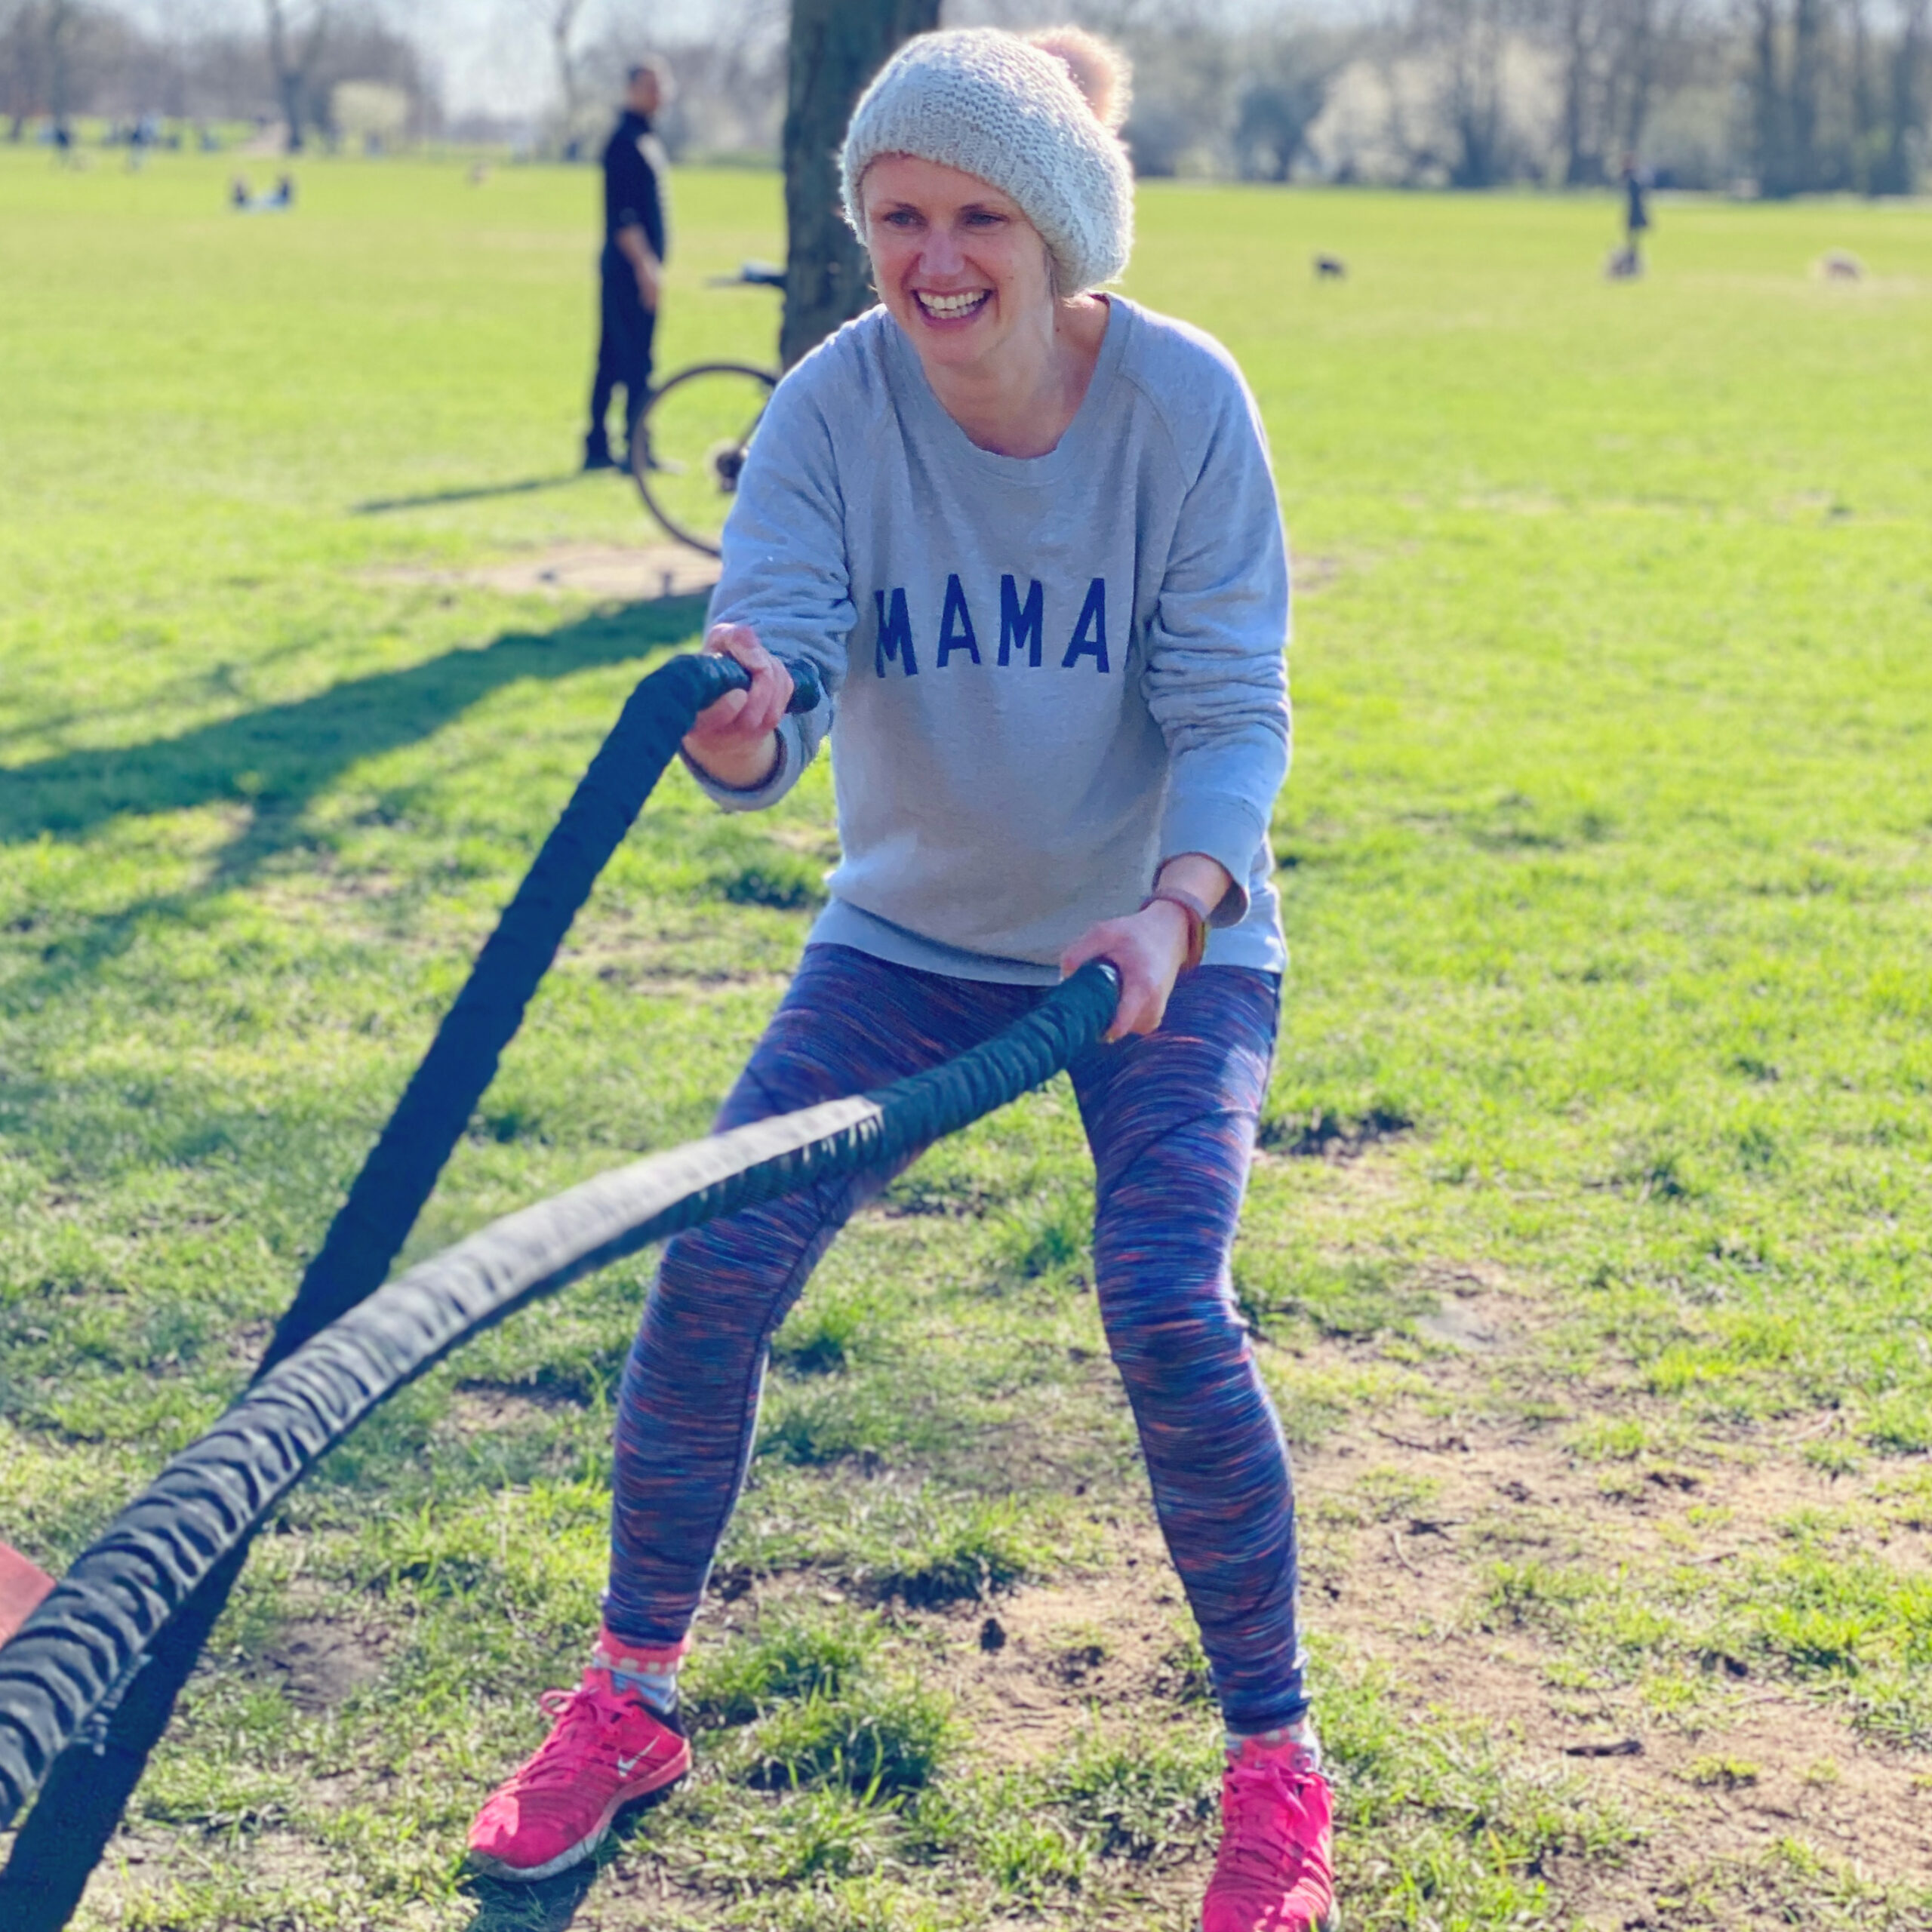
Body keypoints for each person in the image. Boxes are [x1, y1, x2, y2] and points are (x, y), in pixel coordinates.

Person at [469, 26, 1331, 1932]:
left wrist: (1175, 912)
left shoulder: (1182, 403)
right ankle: (627, 1696)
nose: (932, 261)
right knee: (712, 1267)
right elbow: (766, 661)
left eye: (970, 218)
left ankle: (1274, 1767)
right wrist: (741, 721)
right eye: (892, 220)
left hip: (1167, 935)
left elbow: (1228, 709)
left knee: (1166, 1303)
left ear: (1053, 227)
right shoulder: (832, 407)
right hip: (910, 936)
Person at [584, 58, 671, 472]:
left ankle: (599, 446)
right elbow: (624, 217)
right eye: (651, 86)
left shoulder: (645, 138)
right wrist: (646, 267)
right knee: (633, 358)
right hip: (626, 270)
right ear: (631, 90)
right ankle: (633, 449)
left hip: (630, 268)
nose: (660, 93)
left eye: (662, 85)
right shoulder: (624, 142)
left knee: (616, 357)